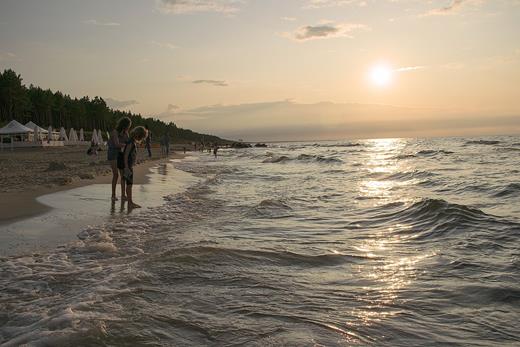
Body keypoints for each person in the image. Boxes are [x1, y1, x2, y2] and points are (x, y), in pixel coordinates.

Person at [121, 126, 148, 209]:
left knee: (129, 184)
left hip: (128, 166)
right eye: (142, 137)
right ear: (139, 135)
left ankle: (130, 202)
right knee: (129, 184)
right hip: (127, 166)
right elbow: (125, 155)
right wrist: (126, 167)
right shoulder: (130, 142)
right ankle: (130, 203)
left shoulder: (131, 141)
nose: (142, 139)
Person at [108, 117, 131, 202]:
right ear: (125, 125)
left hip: (120, 154)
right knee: (115, 174)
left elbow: (128, 142)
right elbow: (116, 144)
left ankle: (123, 195)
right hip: (112, 153)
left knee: (123, 176)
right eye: (128, 126)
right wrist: (126, 145)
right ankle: (113, 195)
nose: (129, 127)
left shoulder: (126, 133)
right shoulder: (115, 132)